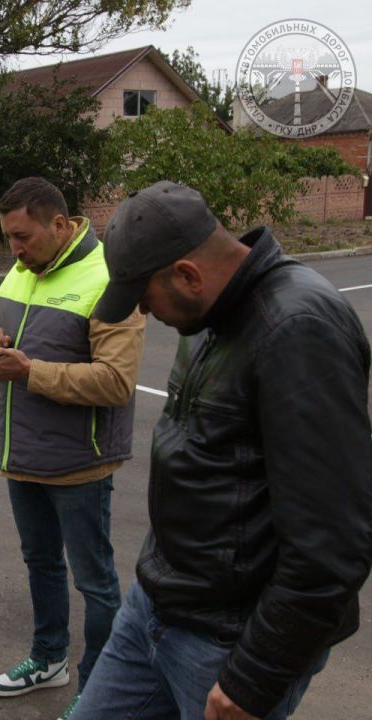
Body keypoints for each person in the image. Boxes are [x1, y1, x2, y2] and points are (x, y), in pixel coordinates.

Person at [72, 181, 372, 720]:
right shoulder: (208, 311)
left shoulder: (297, 329)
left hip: (227, 642)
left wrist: (254, 678)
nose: (144, 312)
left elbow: (333, 545)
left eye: (146, 299)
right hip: (155, 609)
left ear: (187, 274)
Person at [0, 177, 145, 719]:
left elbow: (116, 382)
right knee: (40, 562)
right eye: (9, 239)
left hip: (80, 463)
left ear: (61, 225)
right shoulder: (23, 269)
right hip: (23, 453)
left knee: (95, 580)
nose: (15, 250)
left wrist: (29, 371)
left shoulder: (105, 281)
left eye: (22, 237)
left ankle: (100, 688)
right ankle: (49, 658)